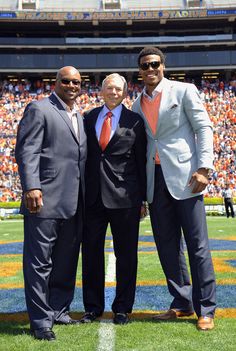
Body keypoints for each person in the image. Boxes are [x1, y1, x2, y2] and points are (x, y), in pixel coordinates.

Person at [132, 46, 216, 331]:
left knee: (198, 247)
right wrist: (142, 192)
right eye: (145, 65)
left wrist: (204, 168)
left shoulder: (184, 91)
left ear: (163, 66)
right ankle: (181, 302)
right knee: (167, 248)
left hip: (187, 178)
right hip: (155, 182)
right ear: (140, 71)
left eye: (155, 63)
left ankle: (206, 309)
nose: (150, 69)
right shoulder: (135, 104)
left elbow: (204, 128)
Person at [15, 66, 87, 341]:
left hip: (73, 201)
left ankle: (59, 310)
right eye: (66, 81)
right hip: (43, 199)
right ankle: (40, 321)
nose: (71, 85)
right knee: (39, 263)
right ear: (55, 83)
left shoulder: (78, 115)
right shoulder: (40, 108)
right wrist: (31, 186)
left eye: (76, 82)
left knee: (66, 261)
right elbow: (27, 149)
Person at [80, 73, 146, 325]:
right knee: (91, 255)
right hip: (93, 199)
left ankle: (122, 308)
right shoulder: (88, 118)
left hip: (125, 199)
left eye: (118, 89)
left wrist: (143, 199)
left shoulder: (135, 121)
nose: (114, 92)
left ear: (125, 92)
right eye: (109, 87)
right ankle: (92, 307)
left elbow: (140, 162)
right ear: (101, 90)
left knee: (127, 255)